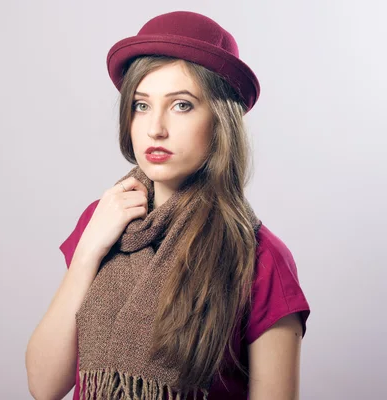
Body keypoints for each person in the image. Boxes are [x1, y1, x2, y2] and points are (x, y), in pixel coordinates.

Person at [26, 11, 310, 400]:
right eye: (142, 105)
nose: (155, 127)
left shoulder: (261, 258)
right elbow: (44, 386)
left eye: (181, 105)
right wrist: (89, 251)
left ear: (220, 121)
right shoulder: (102, 219)